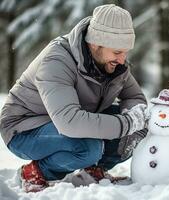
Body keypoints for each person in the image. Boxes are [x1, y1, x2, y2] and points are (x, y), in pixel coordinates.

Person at [0, 4, 148, 192]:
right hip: (24, 128)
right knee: (88, 147)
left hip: (72, 121)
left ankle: (93, 170)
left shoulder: (113, 63)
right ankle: (36, 171)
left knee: (140, 127)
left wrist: (133, 117)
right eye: (117, 52)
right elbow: (69, 122)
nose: (122, 59)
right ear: (95, 43)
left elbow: (135, 97)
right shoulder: (57, 59)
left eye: (125, 52)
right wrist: (125, 124)